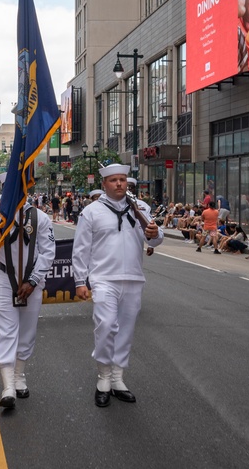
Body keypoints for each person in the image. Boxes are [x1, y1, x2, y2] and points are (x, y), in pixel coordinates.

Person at [73, 163, 164, 408]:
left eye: (122, 179)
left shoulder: (140, 208)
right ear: (104, 184)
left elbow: (156, 237)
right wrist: (80, 280)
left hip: (133, 277)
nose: (119, 184)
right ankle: (103, 375)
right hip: (103, 278)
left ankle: (117, 377)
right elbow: (80, 249)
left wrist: (155, 233)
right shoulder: (91, 211)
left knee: (126, 330)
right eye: (113, 180)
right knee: (105, 325)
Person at [0, 188, 56, 410]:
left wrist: (32, 281)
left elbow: (48, 251)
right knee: (7, 331)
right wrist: (6, 214)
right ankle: (8, 387)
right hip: (3, 278)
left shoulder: (39, 217)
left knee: (27, 331)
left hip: (31, 281)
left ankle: (19, 374)